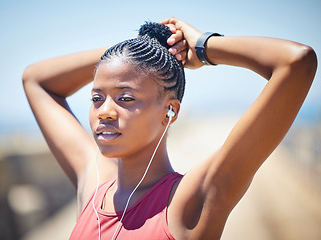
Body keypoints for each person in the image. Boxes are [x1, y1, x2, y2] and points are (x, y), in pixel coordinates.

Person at [22, 17, 317, 239]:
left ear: (170, 110)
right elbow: (35, 79)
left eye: (125, 98)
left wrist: (202, 47)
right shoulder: (93, 186)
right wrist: (140, 48)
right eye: (97, 98)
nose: (105, 112)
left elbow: (296, 62)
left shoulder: (187, 201)